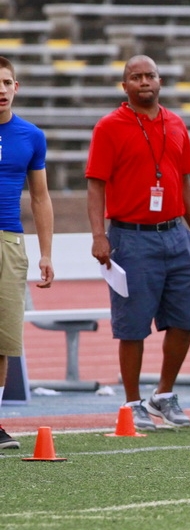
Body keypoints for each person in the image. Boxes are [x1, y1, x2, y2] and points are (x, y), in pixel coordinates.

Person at [86, 55, 190, 431]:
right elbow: (95, 184)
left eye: (149, 75)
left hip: (175, 233)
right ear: (125, 87)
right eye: (135, 77)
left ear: (160, 80)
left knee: (185, 319)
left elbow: (185, 179)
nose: (144, 82)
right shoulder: (109, 127)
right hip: (130, 236)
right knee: (133, 326)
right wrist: (99, 235)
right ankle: (132, 401)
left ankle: (164, 394)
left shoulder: (176, 123)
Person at [0, 56, 54, 450]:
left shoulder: (31, 136)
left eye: (6, 82)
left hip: (9, 241)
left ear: (16, 87)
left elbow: (40, 197)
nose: (0, 90)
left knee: (3, 338)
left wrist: (46, 253)